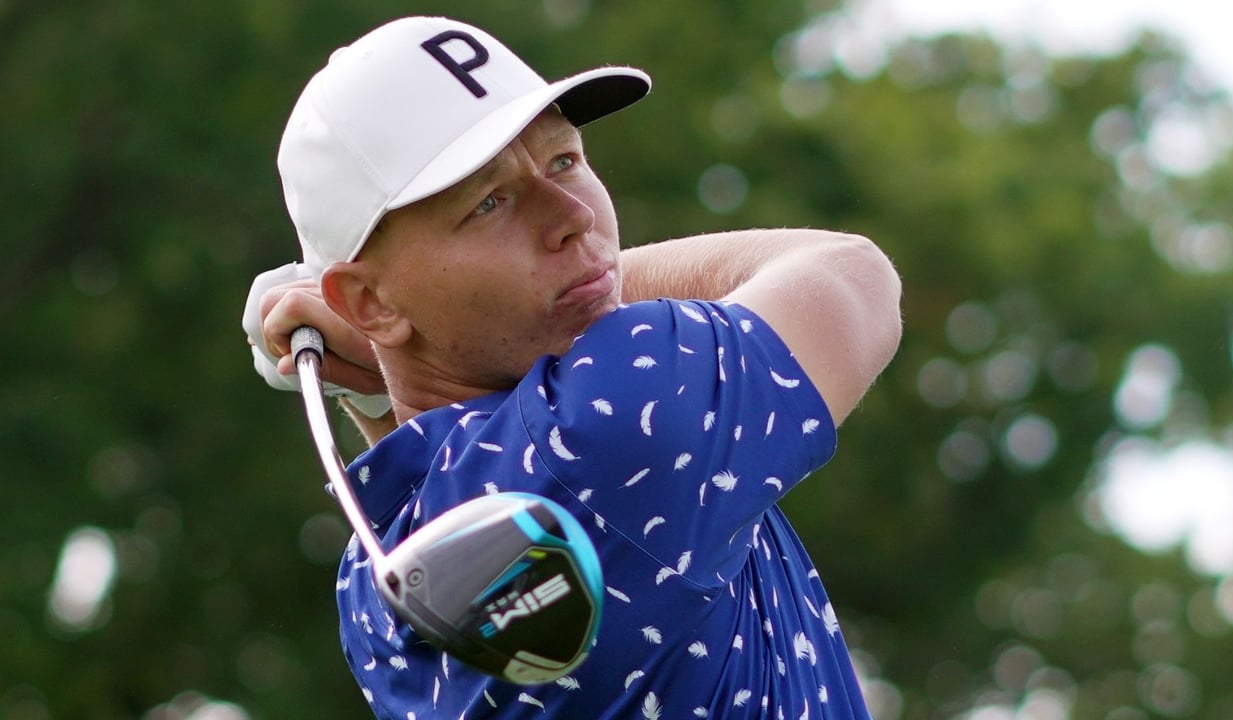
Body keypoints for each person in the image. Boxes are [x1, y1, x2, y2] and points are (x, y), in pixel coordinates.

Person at [244, 15, 902, 719]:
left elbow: (441, 454)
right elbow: (851, 277)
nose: (572, 217)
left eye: (563, 161)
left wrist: (384, 371)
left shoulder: (376, 589)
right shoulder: (616, 410)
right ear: (369, 301)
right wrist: (598, 278)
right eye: (490, 202)